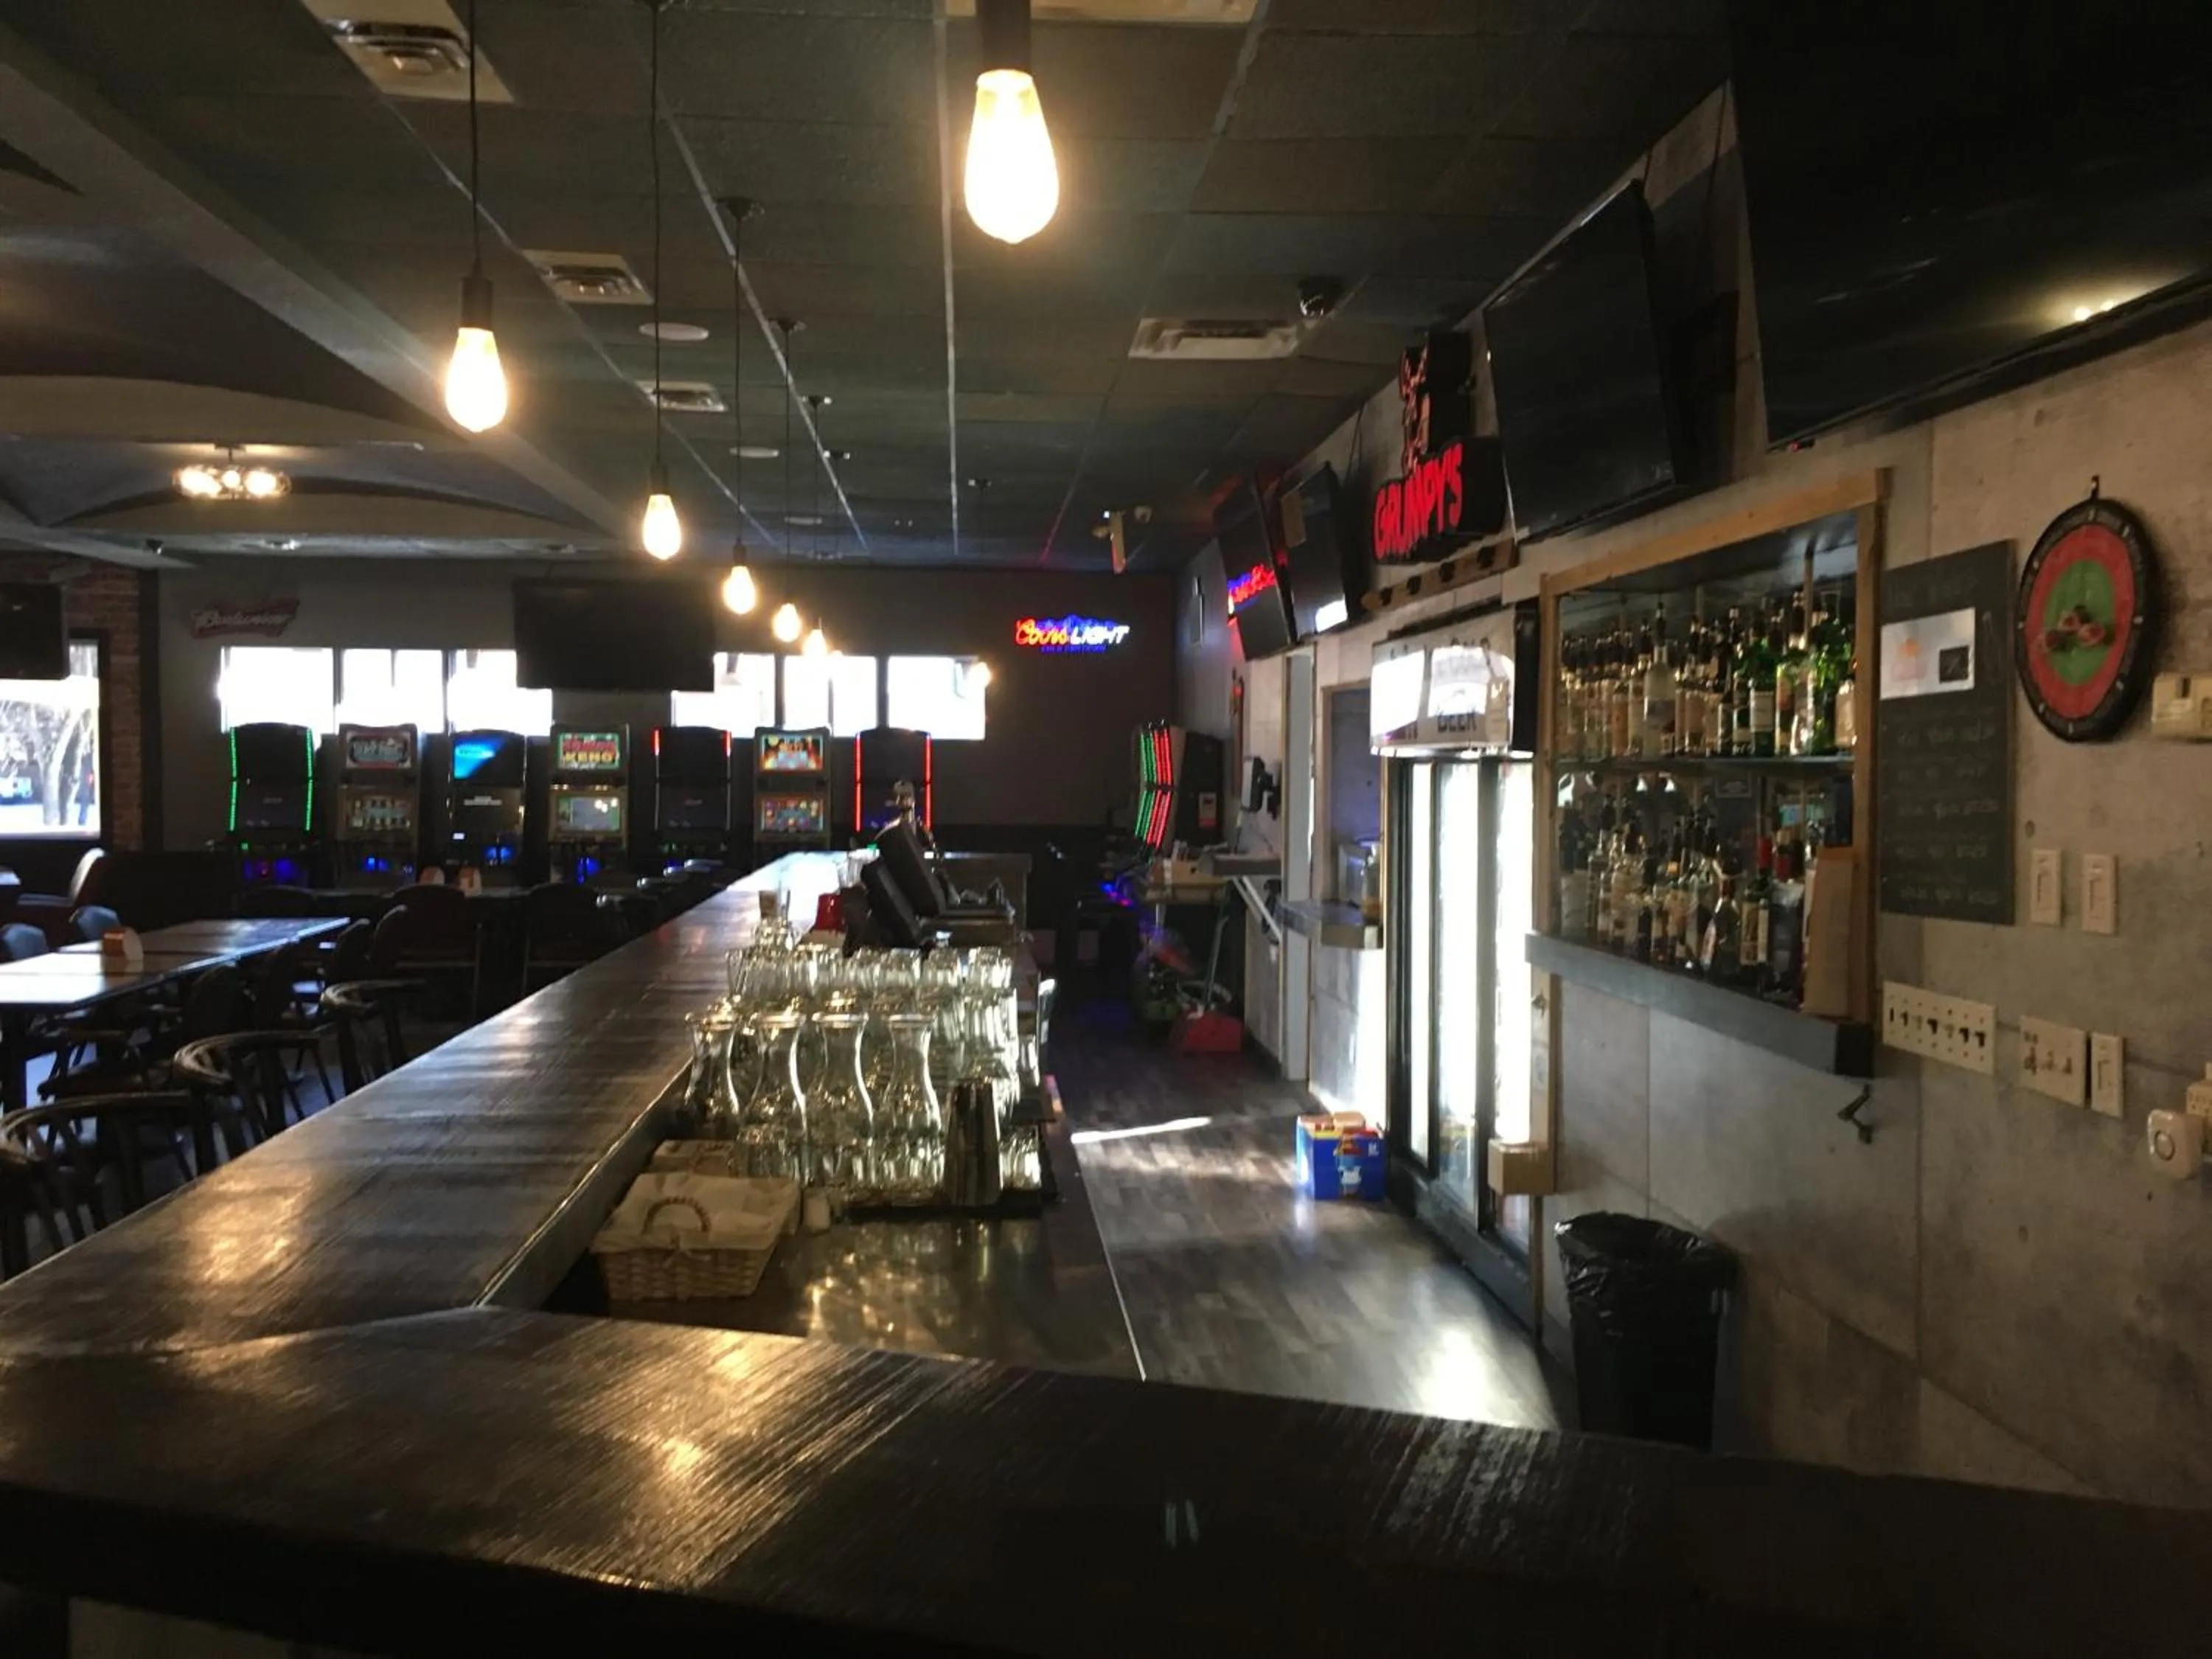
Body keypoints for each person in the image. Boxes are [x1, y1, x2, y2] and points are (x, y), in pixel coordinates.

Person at [888, 779, 933, 851]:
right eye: (897, 797)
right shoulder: (893, 829)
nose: (899, 800)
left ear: (912, 799)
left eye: (903, 797)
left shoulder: (923, 831)